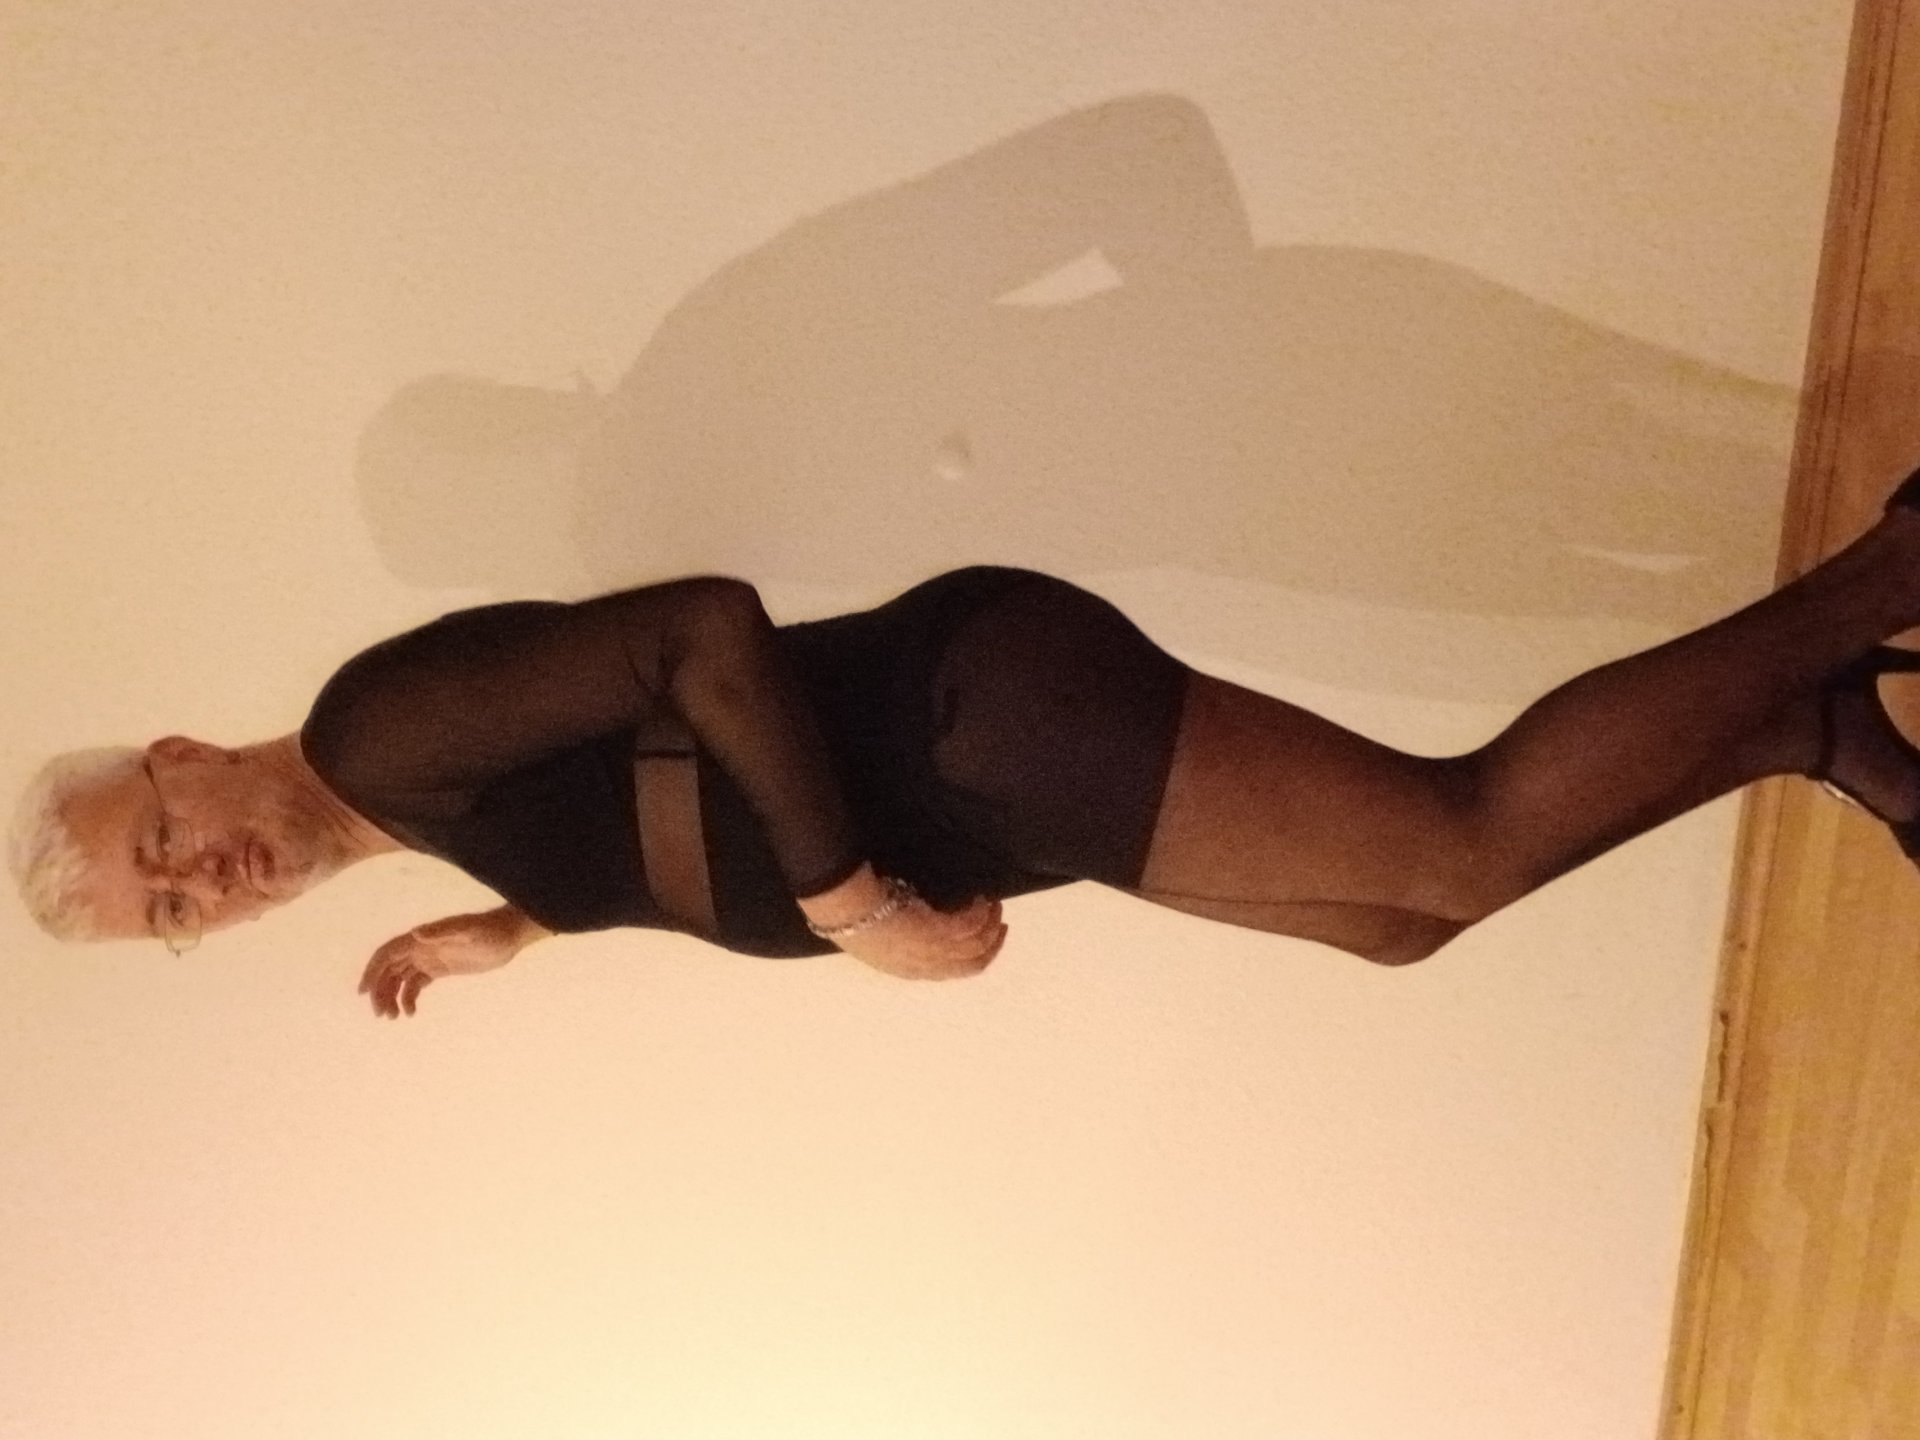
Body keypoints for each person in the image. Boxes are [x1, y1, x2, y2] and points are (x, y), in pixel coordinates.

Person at [14, 472, 1920, 1018]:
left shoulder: (374, 727)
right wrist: (515, 924)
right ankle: (1799, 721)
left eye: (158, 842)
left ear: (179, 755)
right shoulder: (409, 808)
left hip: (985, 719)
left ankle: (1882, 574)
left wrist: (854, 909)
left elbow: (700, 636)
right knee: (1399, 924)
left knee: (1459, 837)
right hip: (988, 787)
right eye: (171, 912)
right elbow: (639, 790)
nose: (203, 882)